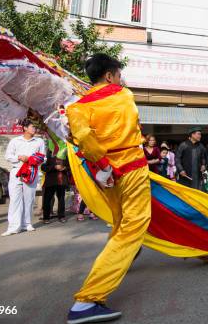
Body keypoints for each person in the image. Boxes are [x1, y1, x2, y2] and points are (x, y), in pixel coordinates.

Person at [65, 53, 151, 323]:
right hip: (132, 165)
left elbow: (81, 136)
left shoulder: (76, 107)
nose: (120, 79)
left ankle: (127, 254)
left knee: (120, 219)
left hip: (105, 173)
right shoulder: (124, 95)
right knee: (135, 224)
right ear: (110, 76)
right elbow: (132, 122)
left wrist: (102, 165)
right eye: (118, 74)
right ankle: (88, 299)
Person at [2, 119, 46, 237]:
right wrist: (19, 157)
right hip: (17, 172)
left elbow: (43, 158)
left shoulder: (39, 141)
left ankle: (27, 223)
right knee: (15, 199)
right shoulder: (15, 141)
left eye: (36, 127)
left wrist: (31, 160)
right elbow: (8, 156)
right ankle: (13, 227)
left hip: (31, 172)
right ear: (25, 128)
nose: (34, 129)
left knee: (29, 198)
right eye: (32, 127)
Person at [41, 150, 70, 224]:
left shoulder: (65, 153)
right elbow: (43, 167)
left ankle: (61, 216)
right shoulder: (48, 154)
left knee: (61, 199)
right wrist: (54, 167)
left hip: (62, 181)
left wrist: (65, 168)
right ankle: (46, 217)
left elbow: (70, 166)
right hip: (51, 181)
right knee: (47, 199)